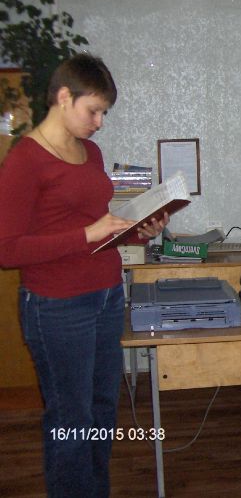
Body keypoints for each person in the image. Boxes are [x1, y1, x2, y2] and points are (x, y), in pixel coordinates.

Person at [0, 55, 169, 497]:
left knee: (101, 410)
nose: (99, 123)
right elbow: (7, 250)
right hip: (57, 306)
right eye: (93, 111)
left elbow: (95, 227)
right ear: (63, 97)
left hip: (106, 295)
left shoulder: (90, 152)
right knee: (71, 420)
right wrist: (87, 234)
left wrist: (139, 230)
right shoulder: (25, 160)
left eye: (104, 113)